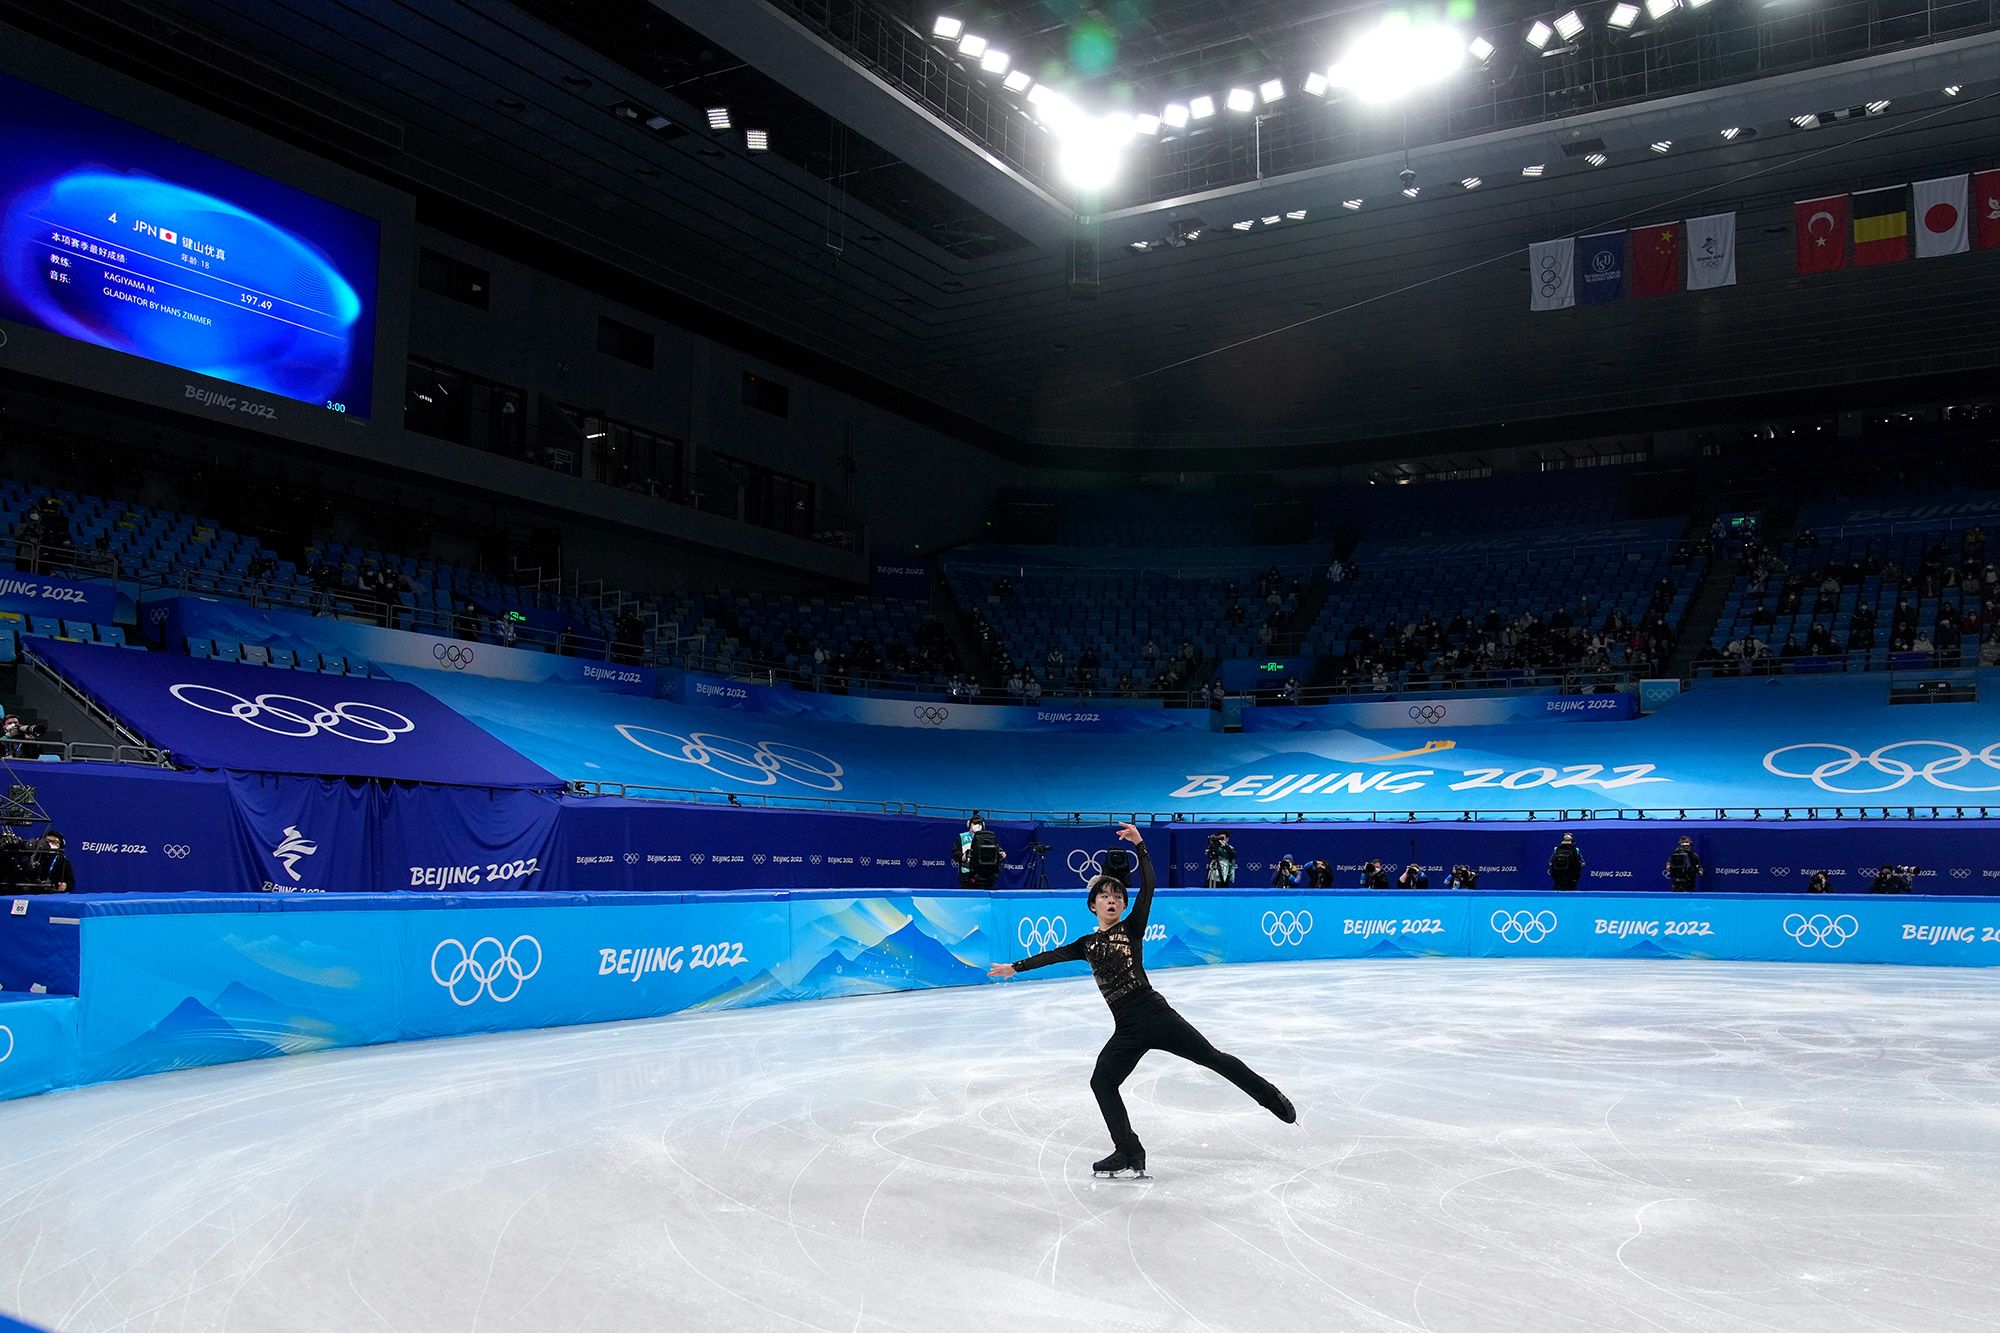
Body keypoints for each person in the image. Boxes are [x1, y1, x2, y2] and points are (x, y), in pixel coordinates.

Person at [989, 824, 1295, 1178]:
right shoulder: (1086, 945)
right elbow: (1052, 955)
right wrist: (1015, 967)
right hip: (1127, 1028)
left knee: (1212, 1057)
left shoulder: (1132, 928)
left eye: (1118, 896)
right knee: (1102, 1082)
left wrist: (1140, 845)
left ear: (1123, 905)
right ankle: (1128, 1150)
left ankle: (1270, 1097)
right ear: (1092, 905)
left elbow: (1148, 886)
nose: (1112, 900)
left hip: (1155, 1014)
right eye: (1105, 896)